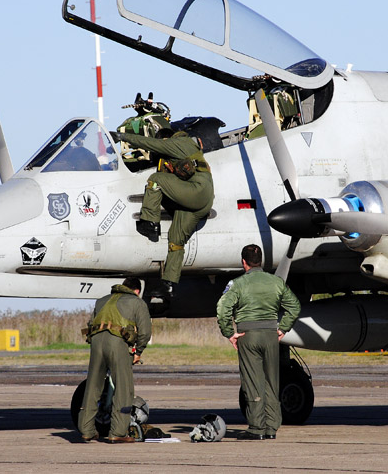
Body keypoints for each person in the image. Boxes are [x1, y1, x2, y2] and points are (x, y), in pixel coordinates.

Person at [110, 128, 214, 301]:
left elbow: (151, 144)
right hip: (202, 200)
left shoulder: (179, 144)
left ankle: (149, 222)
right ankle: (168, 283)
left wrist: (122, 137)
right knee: (176, 241)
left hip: (196, 191)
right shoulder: (189, 147)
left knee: (156, 179)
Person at [216, 244, 301, 440]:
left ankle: (256, 428)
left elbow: (222, 309)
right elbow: (294, 307)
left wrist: (229, 333)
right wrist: (282, 328)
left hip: (248, 335)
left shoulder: (237, 284)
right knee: (272, 381)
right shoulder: (276, 282)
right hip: (271, 335)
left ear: (243, 262)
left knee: (253, 382)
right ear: (260, 261)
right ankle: (271, 428)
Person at [79, 277, 152, 443]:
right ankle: (117, 432)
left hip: (96, 343)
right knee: (124, 389)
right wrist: (138, 351)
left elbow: (91, 324)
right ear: (137, 291)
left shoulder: (102, 300)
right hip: (117, 344)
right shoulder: (136, 302)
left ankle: (86, 430)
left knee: (92, 386)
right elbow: (145, 331)